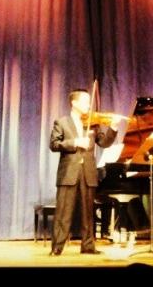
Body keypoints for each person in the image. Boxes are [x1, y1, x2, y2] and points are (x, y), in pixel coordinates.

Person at [49, 89, 120, 255]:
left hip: (88, 172)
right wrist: (75, 142)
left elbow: (104, 143)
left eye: (89, 102)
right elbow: (54, 144)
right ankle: (57, 247)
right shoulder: (61, 122)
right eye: (86, 102)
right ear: (74, 103)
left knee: (88, 213)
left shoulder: (93, 124)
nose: (89, 105)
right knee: (63, 212)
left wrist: (113, 128)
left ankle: (88, 246)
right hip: (69, 172)